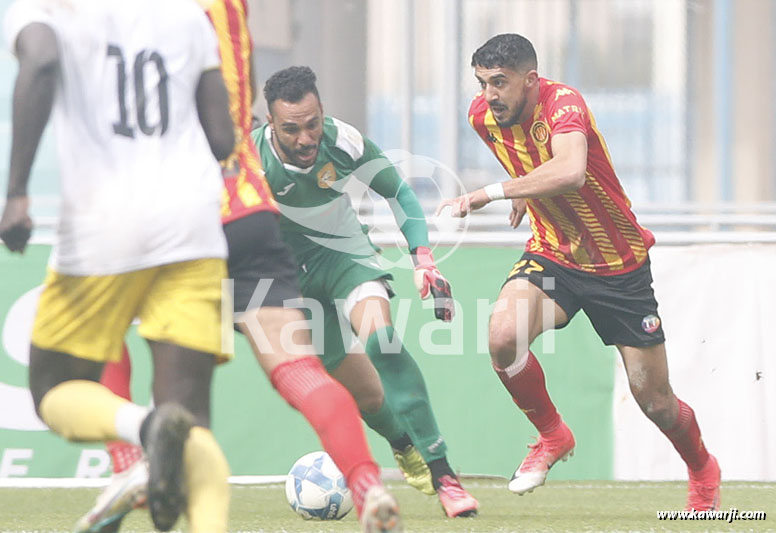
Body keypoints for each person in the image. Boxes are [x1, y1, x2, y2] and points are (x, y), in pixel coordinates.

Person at [72, 2, 403, 532]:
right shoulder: (226, 10)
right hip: (244, 208)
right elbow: (234, 109)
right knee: (298, 370)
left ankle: (127, 464)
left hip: (155, 211)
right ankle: (367, 486)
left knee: (103, 336)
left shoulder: (111, 18)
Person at [438, 33, 720, 512]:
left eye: (500, 83)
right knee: (503, 334)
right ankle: (552, 435)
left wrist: (492, 193)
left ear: (532, 80)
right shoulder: (483, 117)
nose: (489, 95)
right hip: (555, 258)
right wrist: (529, 190)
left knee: (654, 401)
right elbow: (531, 159)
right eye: (483, 82)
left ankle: (701, 467)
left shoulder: (564, 103)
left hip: (619, 266)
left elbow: (570, 171)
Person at [0, 0, 237, 532]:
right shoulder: (188, 15)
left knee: (53, 392)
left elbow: (38, 61)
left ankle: (144, 425)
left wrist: (16, 191)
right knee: (194, 424)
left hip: (102, 224)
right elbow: (222, 137)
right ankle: (167, 430)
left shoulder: (46, 7)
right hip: (193, 225)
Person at [252, 66, 479, 518]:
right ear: (271, 125)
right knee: (370, 398)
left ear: (322, 112)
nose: (305, 138)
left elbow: (400, 194)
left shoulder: (343, 142)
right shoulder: (250, 159)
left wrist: (423, 259)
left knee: (383, 342)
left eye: (313, 123)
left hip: (345, 261)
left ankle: (444, 474)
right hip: (289, 283)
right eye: (291, 129)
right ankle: (401, 442)